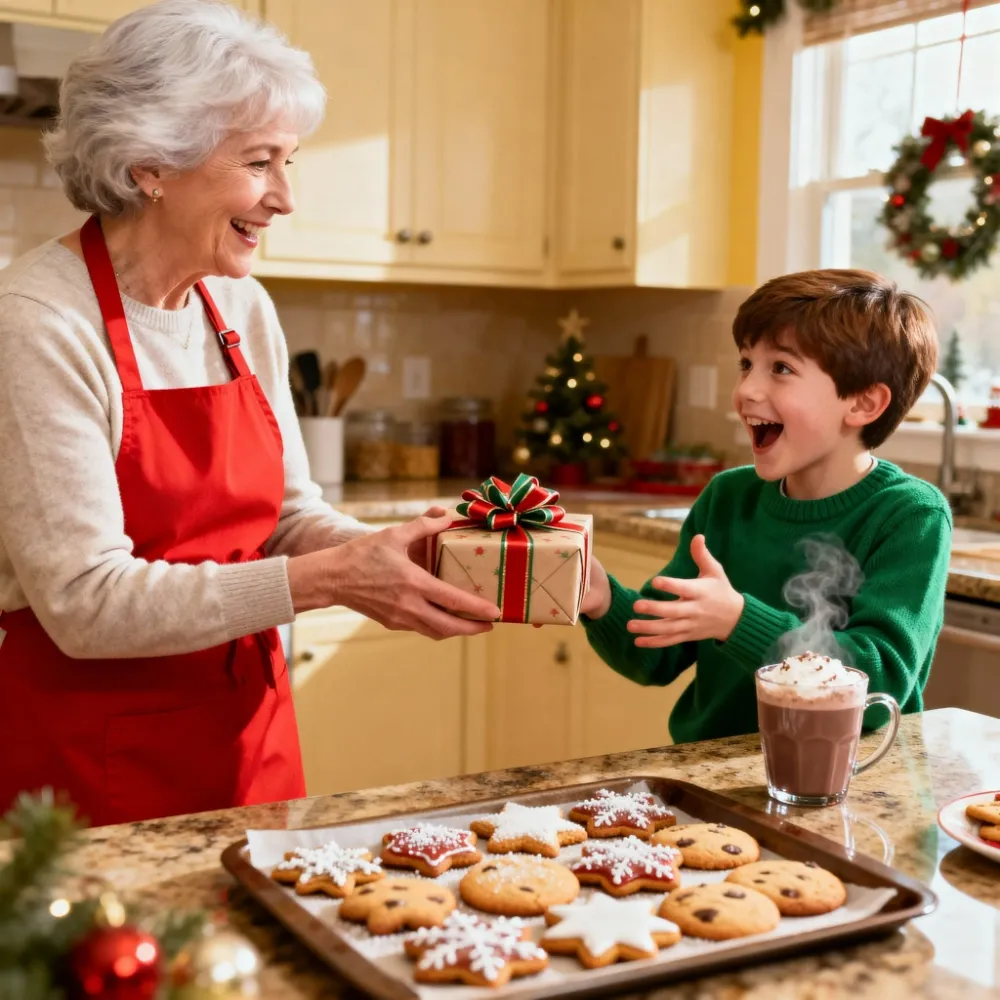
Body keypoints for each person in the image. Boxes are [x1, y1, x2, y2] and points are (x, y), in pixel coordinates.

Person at [0, 0, 499, 827]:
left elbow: (286, 515)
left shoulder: (239, 305)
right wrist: (331, 579)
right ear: (150, 163)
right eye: (260, 161)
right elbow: (86, 601)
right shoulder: (37, 321)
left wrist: (384, 555)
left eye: (288, 161)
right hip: (94, 762)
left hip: (249, 732)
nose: (285, 198)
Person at [580, 269, 952, 743]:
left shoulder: (910, 516)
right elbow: (656, 655)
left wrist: (738, 621)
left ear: (862, 403)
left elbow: (878, 686)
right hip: (711, 777)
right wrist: (600, 598)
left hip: (848, 787)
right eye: (745, 364)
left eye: (780, 368)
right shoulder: (728, 498)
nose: (745, 391)